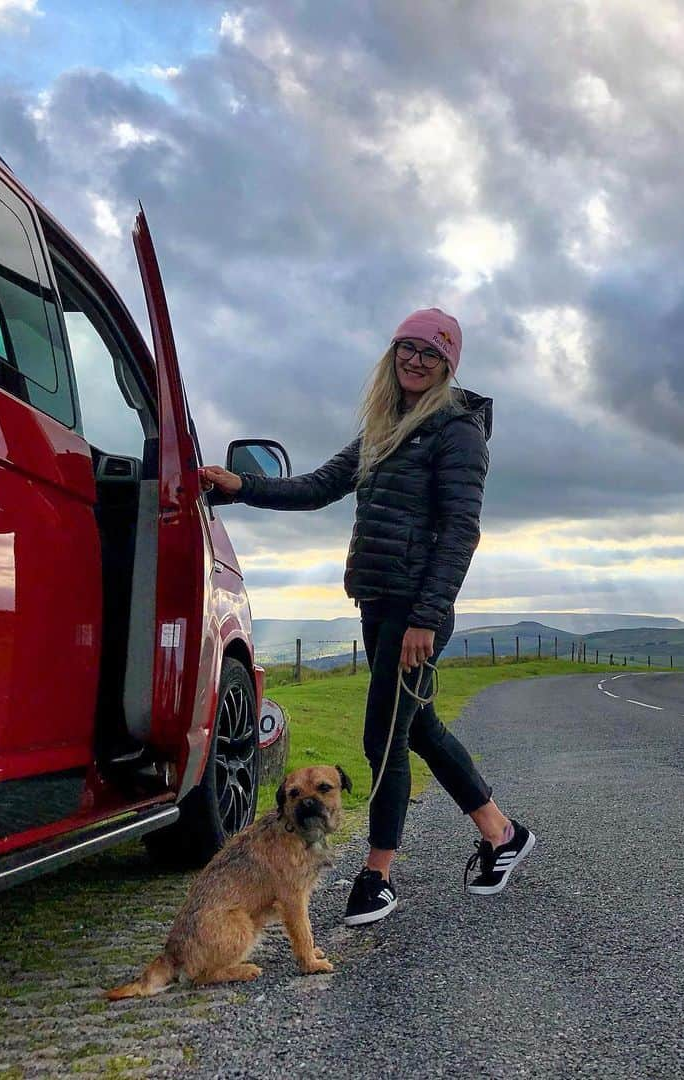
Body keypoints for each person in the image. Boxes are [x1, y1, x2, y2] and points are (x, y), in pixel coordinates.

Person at [202, 308, 535, 926]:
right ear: (393, 354)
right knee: (418, 728)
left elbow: (461, 530)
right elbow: (320, 485)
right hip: (379, 603)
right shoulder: (388, 426)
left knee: (382, 737)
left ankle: (377, 875)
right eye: (406, 348)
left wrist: (427, 618)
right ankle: (501, 833)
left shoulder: (455, 431)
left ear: (448, 366)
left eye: (430, 354)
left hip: (415, 611)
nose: (415, 360)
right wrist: (241, 486)